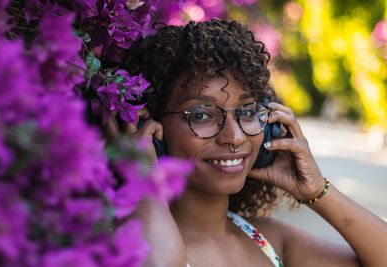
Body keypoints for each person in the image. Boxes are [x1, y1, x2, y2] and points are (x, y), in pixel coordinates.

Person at [107, 19, 387, 266]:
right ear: (147, 127)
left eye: (249, 111)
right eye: (202, 114)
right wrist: (144, 180)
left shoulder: (270, 242)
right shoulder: (123, 244)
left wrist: (317, 191)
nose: (235, 137)